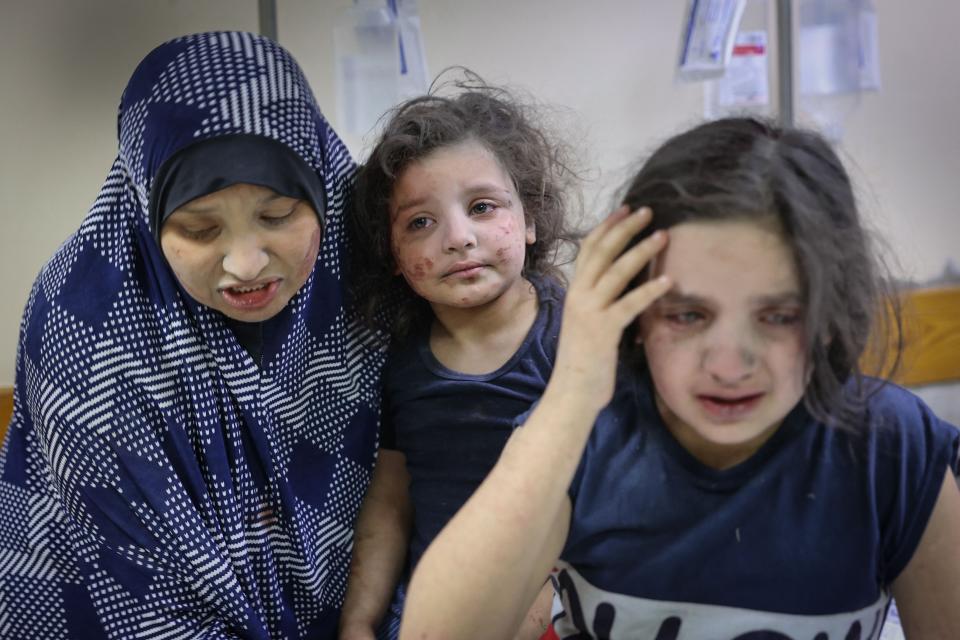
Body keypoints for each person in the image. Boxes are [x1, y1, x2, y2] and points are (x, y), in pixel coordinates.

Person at [398, 117, 960, 639]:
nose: (729, 365)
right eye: (688, 315)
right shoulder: (580, 440)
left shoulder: (890, 447)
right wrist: (571, 395)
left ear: (830, 318)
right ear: (638, 319)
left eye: (778, 316)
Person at [0, 32, 386, 638]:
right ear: (147, 210)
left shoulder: (374, 266)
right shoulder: (83, 325)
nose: (245, 264)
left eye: (278, 216)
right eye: (199, 229)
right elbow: (147, 595)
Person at [339, 79, 579, 640]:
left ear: (530, 218)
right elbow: (391, 503)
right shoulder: (400, 362)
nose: (458, 238)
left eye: (482, 207)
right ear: (393, 257)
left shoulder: (577, 339)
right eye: (420, 222)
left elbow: (601, 499)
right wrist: (358, 620)